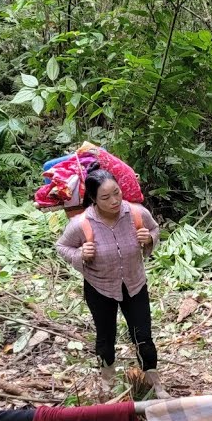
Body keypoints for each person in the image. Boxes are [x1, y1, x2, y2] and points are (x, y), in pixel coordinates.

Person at [56, 168, 166, 398]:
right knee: (106, 336)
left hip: (135, 283)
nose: (115, 201)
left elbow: (155, 229)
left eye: (117, 193)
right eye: (105, 197)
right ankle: (108, 381)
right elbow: (62, 247)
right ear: (93, 199)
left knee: (143, 334)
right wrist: (80, 255)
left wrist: (150, 239)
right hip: (99, 287)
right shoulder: (81, 224)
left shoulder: (136, 213)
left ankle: (153, 381)